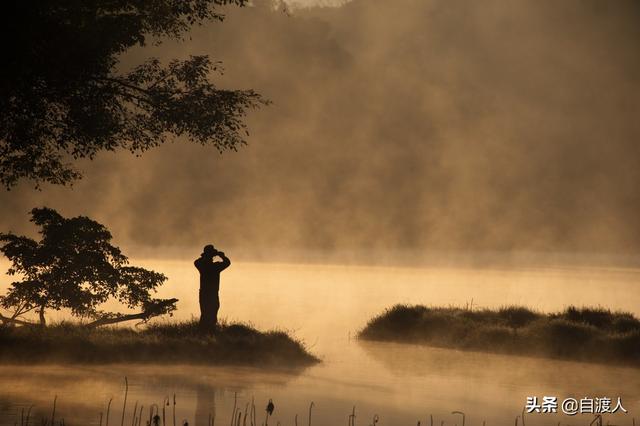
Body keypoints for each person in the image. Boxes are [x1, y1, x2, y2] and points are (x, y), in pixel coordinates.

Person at [194, 244, 231, 331]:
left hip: (204, 293)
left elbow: (196, 262)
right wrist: (222, 256)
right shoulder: (216, 267)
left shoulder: (202, 266)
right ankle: (209, 331)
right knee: (212, 314)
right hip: (212, 294)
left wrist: (204, 256)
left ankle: (203, 332)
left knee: (205, 314)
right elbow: (227, 262)